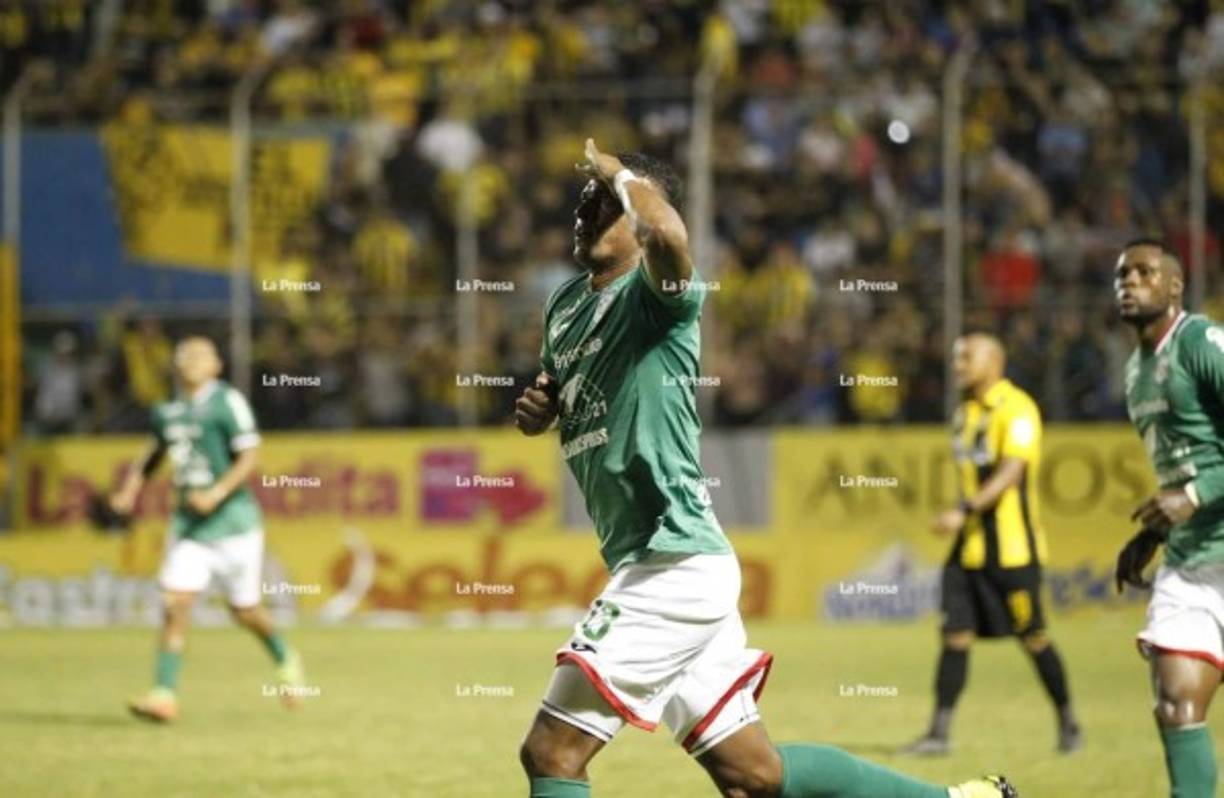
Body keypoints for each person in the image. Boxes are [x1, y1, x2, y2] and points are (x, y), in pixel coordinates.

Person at [513, 138, 1017, 798]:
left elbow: (665, 229)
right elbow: (560, 387)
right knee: (754, 776)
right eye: (582, 201)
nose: (583, 210)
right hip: (659, 561)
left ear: (636, 214)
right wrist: (540, 407)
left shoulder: (661, 295)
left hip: (673, 567)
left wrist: (615, 170)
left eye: (600, 202)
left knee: (552, 752)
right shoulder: (565, 305)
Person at [110, 336, 303, 722]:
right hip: (189, 526)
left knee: (245, 610)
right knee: (174, 603)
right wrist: (130, 490)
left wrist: (216, 493)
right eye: (184, 354)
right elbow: (152, 454)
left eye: (201, 355)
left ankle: (284, 657)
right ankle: (164, 694)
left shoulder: (227, 402)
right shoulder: (167, 410)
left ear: (216, 366)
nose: (191, 360)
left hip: (234, 523)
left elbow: (250, 456)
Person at [906, 334, 1080, 756]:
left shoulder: (1017, 408)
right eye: (956, 355)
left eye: (968, 356)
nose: (958, 363)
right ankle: (938, 734)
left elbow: (1011, 472)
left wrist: (963, 510)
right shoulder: (963, 414)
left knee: (1033, 636)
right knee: (954, 636)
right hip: (968, 552)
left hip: (1012, 552)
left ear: (996, 361)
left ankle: (1068, 722)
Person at [1113, 238, 1224, 797]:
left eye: (1144, 272)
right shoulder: (1135, 372)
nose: (1129, 282)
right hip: (1191, 563)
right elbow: (1183, 465)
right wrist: (1153, 532)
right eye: (1122, 275)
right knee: (1177, 707)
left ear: (1175, 286)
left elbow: (1197, 481)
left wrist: (1197, 495)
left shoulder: (1202, 340)